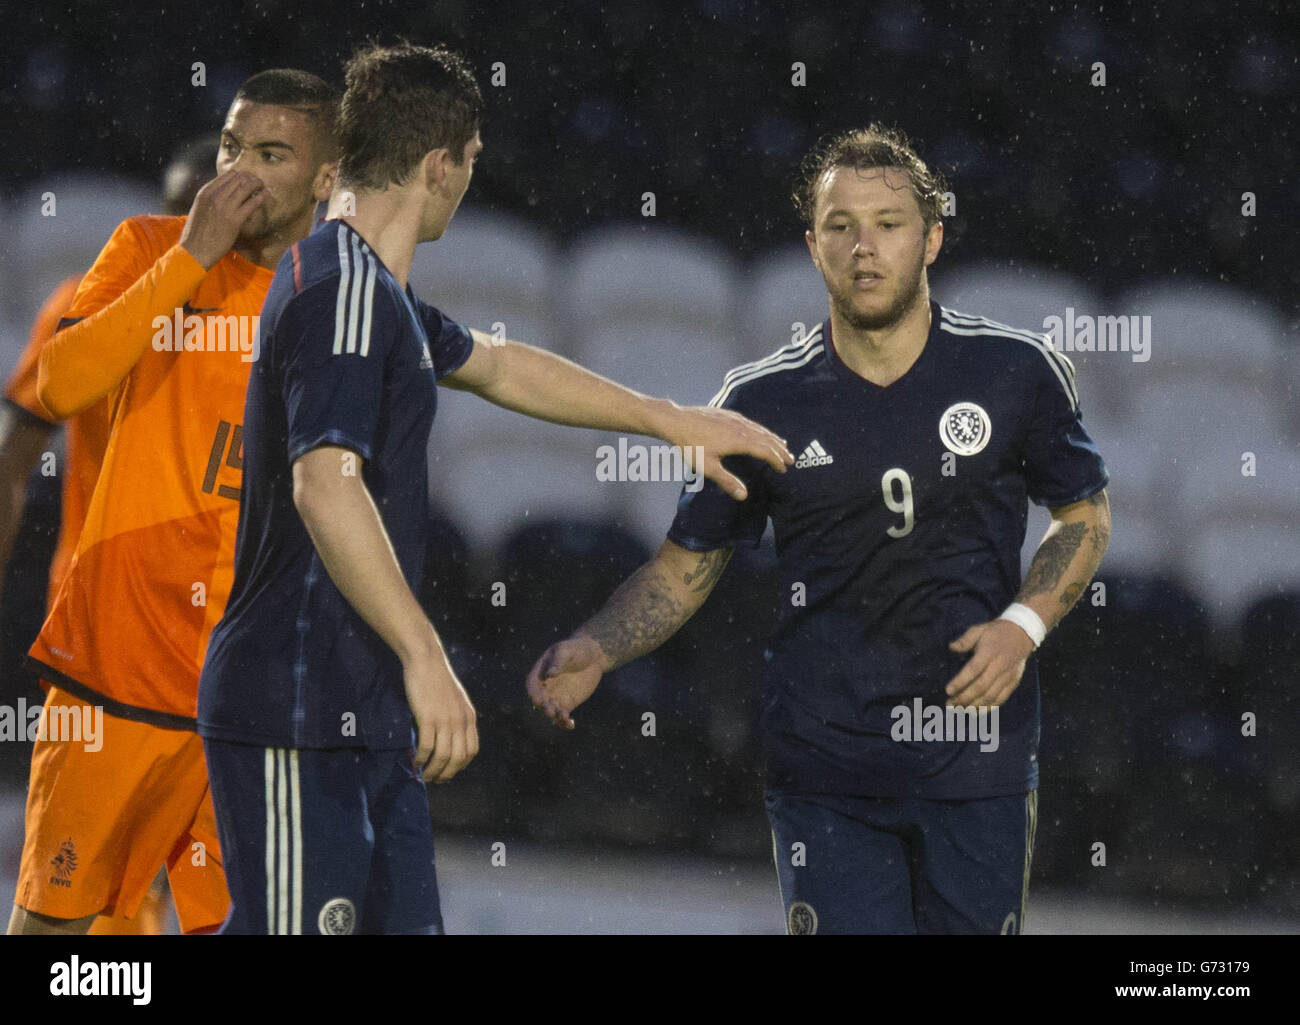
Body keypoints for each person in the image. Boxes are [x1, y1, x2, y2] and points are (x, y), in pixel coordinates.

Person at [196, 41, 791, 935]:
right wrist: (424, 654)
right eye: (472, 162)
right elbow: (326, 485)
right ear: (440, 164)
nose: (471, 179)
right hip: (297, 702)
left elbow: (503, 365)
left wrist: (668, 418)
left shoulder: (377, 293)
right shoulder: (341, 294)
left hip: (357, 710)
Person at [527, 125, 1112, 935]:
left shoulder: (1015, 373)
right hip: (826, 766)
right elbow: (685, 566)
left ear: (933, 238)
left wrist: (1023, 625)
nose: (863, 247)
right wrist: (599, 645)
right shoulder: (761, 401)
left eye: (888, 224)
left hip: (977, 760)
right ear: (813, 246)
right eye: (841, 226)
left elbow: (1084, 516)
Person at [8, 70, 341, 936]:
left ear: (327, 177)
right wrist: (186, 258)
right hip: (114, 669)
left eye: (272, 154)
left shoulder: (335, 307)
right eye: (233, 147)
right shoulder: (146, 245)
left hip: (246, 698)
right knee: (60, 939)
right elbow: (59, 383)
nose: (241, 172)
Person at [0, 134, 220, 935]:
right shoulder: (91, 303)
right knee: (91, 906)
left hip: (216, 653)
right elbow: (13, 452)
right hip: (106, 641)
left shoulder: (268, 320)